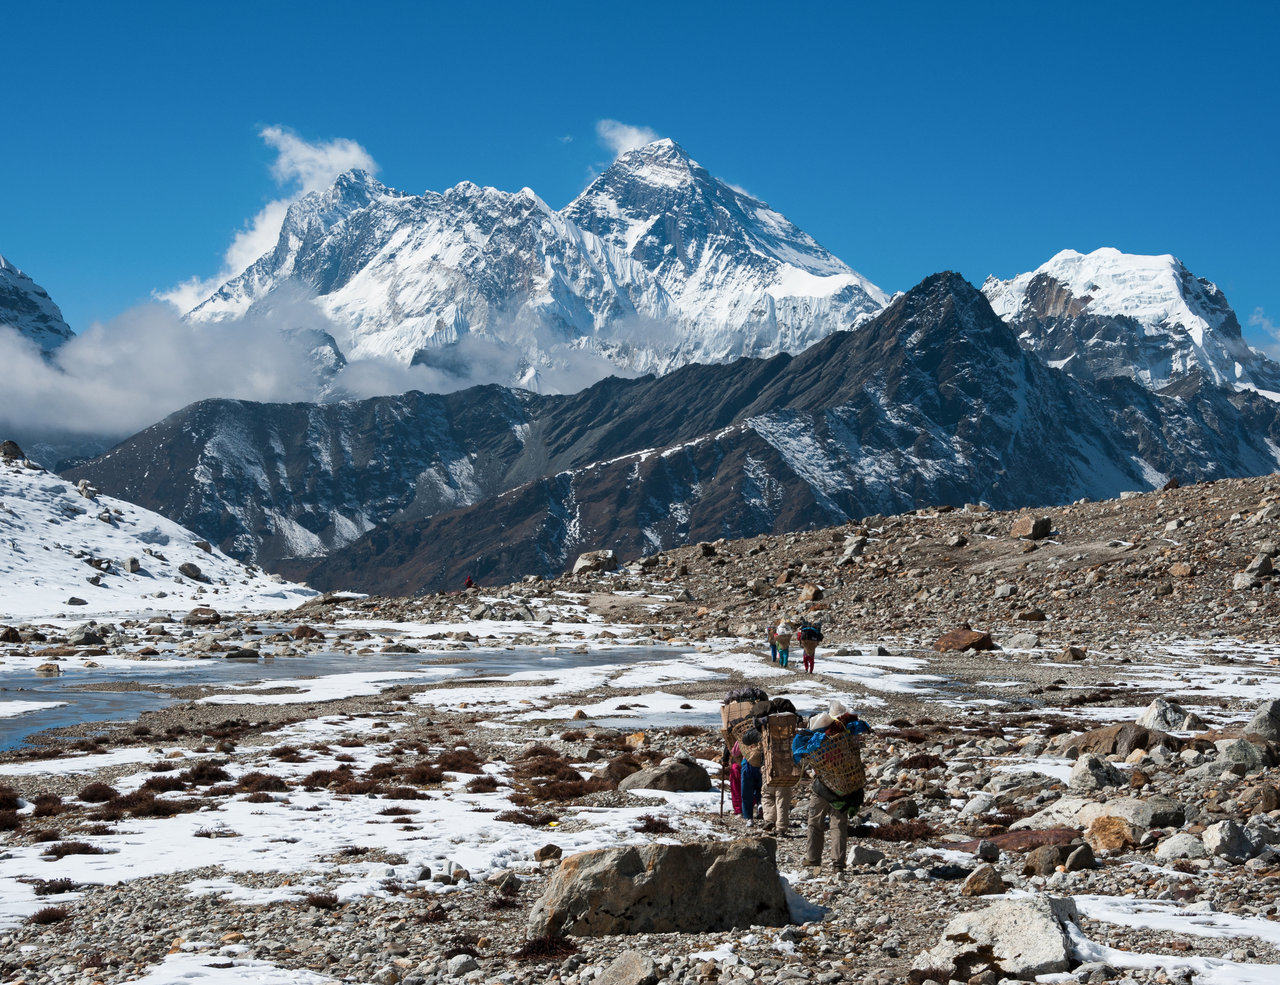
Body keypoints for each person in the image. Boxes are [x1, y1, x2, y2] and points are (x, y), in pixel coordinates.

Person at [798, 706, 871, 873]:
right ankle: (838, 863)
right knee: (838, 825)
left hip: (823, 786)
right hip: (846, 786)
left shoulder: (821, 738)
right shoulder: (849, 735)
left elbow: (808, 755)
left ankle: (813, 858)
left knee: (815, 822)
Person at [760, 710, 798, 834]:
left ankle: (769, 819)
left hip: (768, 769)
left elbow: (747, 738)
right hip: (785, 769)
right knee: (782, 798)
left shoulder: (764, 730)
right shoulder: (789, 734)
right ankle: (781, 828)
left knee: (767, 795)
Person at [738, 727, 764, 823]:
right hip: (761, 766)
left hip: (747, 765)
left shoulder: (743, 738)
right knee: (761, 790)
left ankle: (749, 818)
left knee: (746, 793)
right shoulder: (763, 735)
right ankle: (760, 804)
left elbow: (735, 752)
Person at [728, 739, 743, 815]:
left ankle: (738, 810)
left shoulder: (738, 738)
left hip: (737, 764)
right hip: (754, 764)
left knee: (736, 787)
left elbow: (733, 751)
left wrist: (725, 758)